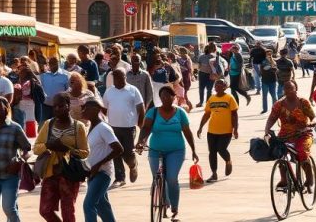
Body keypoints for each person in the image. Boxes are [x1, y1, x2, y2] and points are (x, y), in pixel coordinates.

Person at [135, 85, 199, 222]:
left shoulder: (180, 113)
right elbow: (146, 128)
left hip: (176, 151)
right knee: (157, 177)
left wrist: (194, 150)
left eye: (168, 96)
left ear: (173, 97)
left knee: (171, 178)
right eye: (162, 96)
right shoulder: (153, 112)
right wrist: (140, 142)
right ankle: (164, 200)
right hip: (155, 150)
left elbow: (187, 133)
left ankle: (174, 208)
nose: (165, 98)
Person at [34, 92, 89, 222]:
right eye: (55, 106)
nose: (57, 109)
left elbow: (85, 152)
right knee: (45, 210)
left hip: (69, 174)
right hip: (50, 173)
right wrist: (48, 145)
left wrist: (67, 149)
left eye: (61, 106)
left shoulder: (78, 127)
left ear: (68, 106)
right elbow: (36, 148)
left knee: (68, 211)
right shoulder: (48, 124)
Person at [0, 97, 31, 222]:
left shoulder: (15, 128)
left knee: (9, 208)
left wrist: (20, 160)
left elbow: (27, 149)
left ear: (6, 110)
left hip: (9, 177)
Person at [264, 80, 316, 192]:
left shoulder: (303, 102)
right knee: (280, 154)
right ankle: (285, 180)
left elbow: (313, 117)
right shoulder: (279, 104)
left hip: (303, 134)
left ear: (296, 89)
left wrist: (313, 123)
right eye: (286, 89)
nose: (288, 91)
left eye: (291, 88)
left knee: (302, 152)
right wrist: (267, 131)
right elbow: (272, 118)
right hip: (285, 135)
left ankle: (309, 178)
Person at [101, 68, 145, 185]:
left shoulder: (132, 90)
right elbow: (104, 109)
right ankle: (120, 178)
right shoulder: (109, 91)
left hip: (129, 127)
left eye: (118, 77)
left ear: (125, 77)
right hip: (113, 127)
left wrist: (141, 124)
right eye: (114, 78)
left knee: (128, 153)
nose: (116, 80)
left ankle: (132, 164)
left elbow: (141, 108)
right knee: (116, 152)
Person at [82, 97, 122, 222]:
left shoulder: (104, 128)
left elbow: (119, 149)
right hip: (93, 173)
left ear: (95, 110)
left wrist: (98, 165)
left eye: (86, 109)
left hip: (103, 173)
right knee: (101, 205)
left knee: (88, 205)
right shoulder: (91, 127)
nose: (83, 111)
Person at [196, 78, 238, 182]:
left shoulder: (229, 98)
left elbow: (234, 114)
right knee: (212, 152)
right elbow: (207, 114)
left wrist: (235, 129)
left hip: (226, 130)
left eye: (221, 85)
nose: (218, 86)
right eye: (216, 85)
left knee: (221, 149)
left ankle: (228, 161)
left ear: (225, 87)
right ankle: (214, 174)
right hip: (212, 130)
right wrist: (200, 127)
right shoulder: (211, 99)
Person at [39, 56, 70, 122]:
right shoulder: (44, 76)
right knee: (44, 126)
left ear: (58, 63)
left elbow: (68, 90)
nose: (52, 65)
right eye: (50, 63)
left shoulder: (65, 75)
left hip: (59, 106)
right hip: (46, 105)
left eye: (54, 63)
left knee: (58, 124)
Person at [258, 48, 279, 113]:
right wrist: (271, 67)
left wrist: (271, 61)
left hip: (273, 80)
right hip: (265, 80)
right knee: (264, 96)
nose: (269, 54)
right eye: (267, 53)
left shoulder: (274, 61)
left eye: (270, 53)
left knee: (274, 96)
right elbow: (265, 68)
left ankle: (275, 109)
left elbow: (276, 69)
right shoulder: (262, 61)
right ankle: (265, 109)